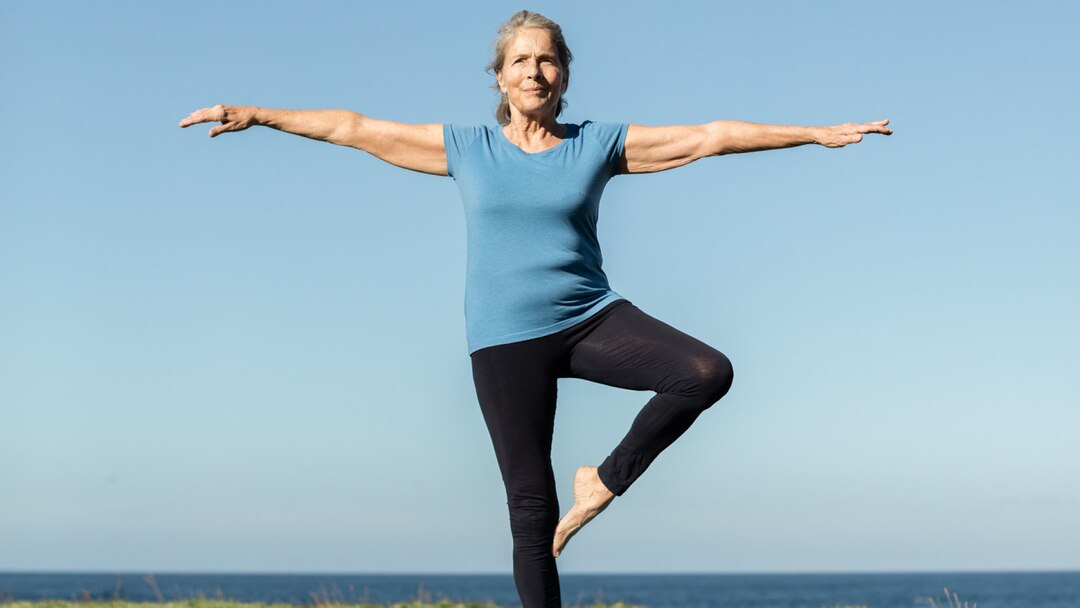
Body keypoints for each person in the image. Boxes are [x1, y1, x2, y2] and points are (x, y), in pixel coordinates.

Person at [179, 10, 892, 608]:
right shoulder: (466, 148)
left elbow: (710, 136)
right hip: (505, 341)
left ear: (564, 76)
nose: (534, 72)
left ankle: (603, 480)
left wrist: (815, 132)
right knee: (530, 510)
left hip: (590, 318)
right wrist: (259, 114)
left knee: (706, 371)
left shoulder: (595, 146)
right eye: (520, 60)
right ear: (499, 76)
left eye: (548, 61)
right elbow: (352, 126)